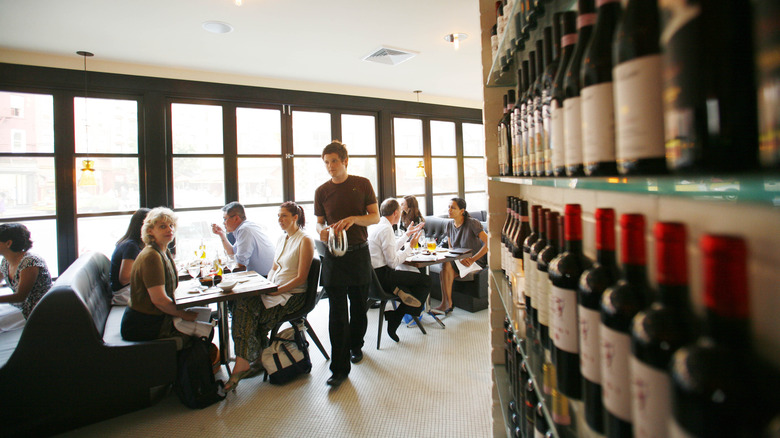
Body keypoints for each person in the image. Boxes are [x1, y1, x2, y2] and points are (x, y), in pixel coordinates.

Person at [224, 201, 314, 392]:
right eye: (278, 216)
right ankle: (249, 358)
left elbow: (301, 278)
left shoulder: (304, 240)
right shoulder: (282, 238)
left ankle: (246, 360)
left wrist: (277, 290)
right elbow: (274, 268)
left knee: (249, 312)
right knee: (242, 303)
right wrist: (266, 286)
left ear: (295, 217)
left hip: (293, 295)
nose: (280, 220)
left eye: (284, 216)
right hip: (275, 288)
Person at [314, 140, 379, 387]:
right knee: (337, 313)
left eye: (334, 161)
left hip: (359, 254)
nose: (330, 166)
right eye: (326, 162)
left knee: (359, 306)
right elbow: (319, 222)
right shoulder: (321, 191)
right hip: (334, 257)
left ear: (345, 161)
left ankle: (356, 345)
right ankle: (339, 369)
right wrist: (321, 230)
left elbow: (375, 217)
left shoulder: (362, 184)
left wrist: (354, 219)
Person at [120, 207, 201, 344]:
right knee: (203, 331)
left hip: (154, 317)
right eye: (163, 226)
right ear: (150, 230)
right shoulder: (151, 256)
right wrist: (184, 314)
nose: (169, 230)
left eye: (171, 225)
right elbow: (159, 300)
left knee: (203, 317)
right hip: (143, 324)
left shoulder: (163, 251)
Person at [367, 198, 428, 342]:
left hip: (372, 279)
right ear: (395, 213)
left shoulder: (376, 226)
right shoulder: (386, 229)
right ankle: (396, 316)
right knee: (425, 281)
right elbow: (393, 262)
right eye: (400, 211)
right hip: (383, 278)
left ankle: (400, 296)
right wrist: (410, 247)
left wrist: (407, 235)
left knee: (413, 285)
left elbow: (390, 248)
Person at [433, 197, 488, 315]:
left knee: (445, 268)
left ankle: (446, 304)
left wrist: (473, 259)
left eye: (453, 208)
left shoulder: (472, 223)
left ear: (462, 211)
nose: (449, 210)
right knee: (445, 267)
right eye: (449, 207)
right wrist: (458, 258)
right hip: (458, 260)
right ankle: (446, 303)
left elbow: (489, 243)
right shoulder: (449, 225)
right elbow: (451, 247)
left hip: (474, 262)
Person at [0, 223, 52, 319]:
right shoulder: (6, 261)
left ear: (8, 243)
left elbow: (20, 297)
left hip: (37, 311)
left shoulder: (30, 262)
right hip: (21, 307)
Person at [211, 202, 274, 277]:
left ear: (236, 218)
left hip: (264, 277)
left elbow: (241, 265)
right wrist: (221, 234)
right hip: (261, 275)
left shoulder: (245, 230)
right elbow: (232, 253)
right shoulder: (245, 227)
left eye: (225, 219)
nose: (224, 223)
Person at [110, 208, 150, 305]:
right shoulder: (131, 246)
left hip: (127, 291)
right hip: (124, 294)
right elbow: (124, 279)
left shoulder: (130, 242)